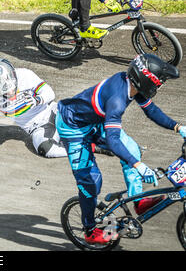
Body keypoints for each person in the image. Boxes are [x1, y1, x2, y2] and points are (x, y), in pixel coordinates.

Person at [55, 53, 185, 244]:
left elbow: (152, 111)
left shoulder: (131, 84)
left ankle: (138, 202)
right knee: (91, 182)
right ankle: (90, 230)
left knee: (132, 149)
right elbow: (114, 142)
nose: (160, 86)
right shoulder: (117, 100)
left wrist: (178, 127)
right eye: (158, 82)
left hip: (94, 121)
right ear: (145, 81)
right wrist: (138, 165)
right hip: (73, 128)